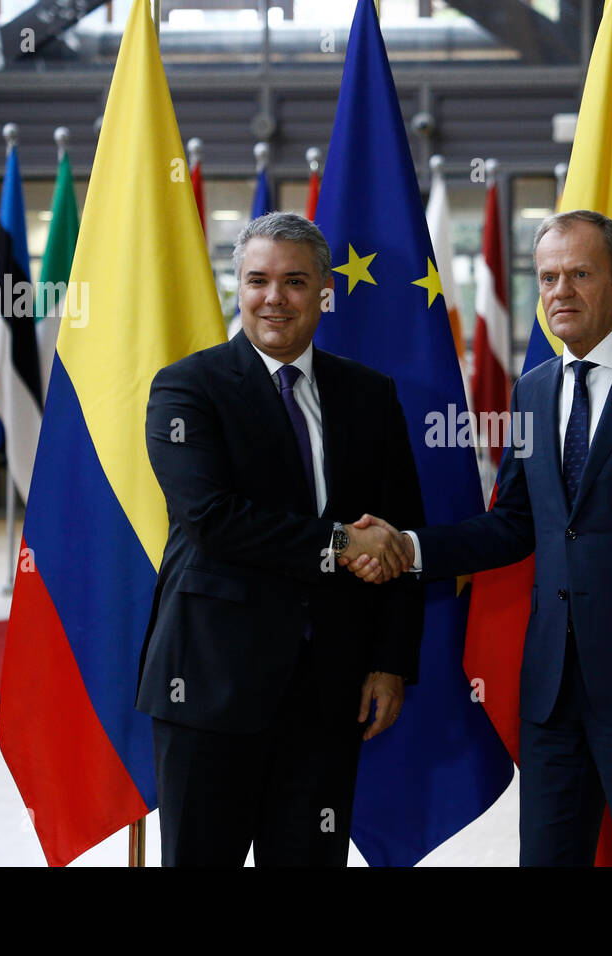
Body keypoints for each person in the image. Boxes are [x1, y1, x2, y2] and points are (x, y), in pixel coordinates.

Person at [346, 210, 612, 866]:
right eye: (547, 277)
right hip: (550, 693)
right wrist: (410, 548)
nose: (559, 290)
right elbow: (514, 523)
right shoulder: (532, 391)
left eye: (579, 274)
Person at [137, 211, 421, 866]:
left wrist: (388, 660)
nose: (274, 298)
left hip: (329, 691)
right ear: (237, 286)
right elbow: (211, 519)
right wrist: (339, 545)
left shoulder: (370, 395)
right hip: (208, 687)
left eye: (294, 281)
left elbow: (400, 534)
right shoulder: (187, 388)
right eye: (257, 280)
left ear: (324, 289)